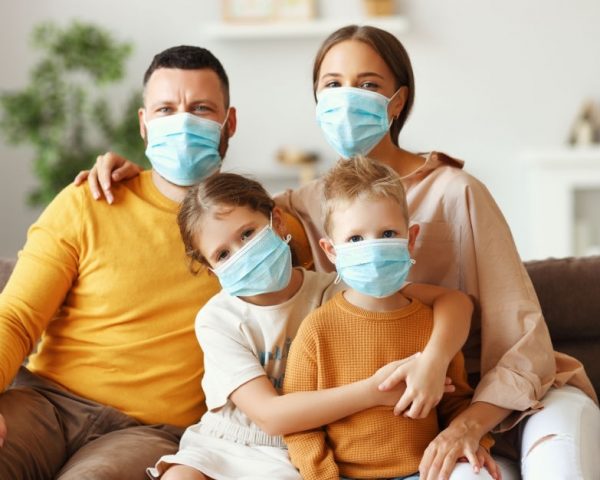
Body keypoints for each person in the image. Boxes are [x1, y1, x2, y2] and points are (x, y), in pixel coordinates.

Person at [82, 26, 600, 479]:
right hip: (392, 419)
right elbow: (223, 214)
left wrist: (464, 421)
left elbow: (520, 336)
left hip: (494, 398)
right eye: (332, 85)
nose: (347, 97)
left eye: (368, 85)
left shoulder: (457, 191)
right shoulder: (304, 205)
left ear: (396, 102)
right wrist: (135, 177)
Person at [0, 43, 471, 479]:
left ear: (229, 123)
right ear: (145, 124)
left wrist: (456, 359)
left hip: (150, 432)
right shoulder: (88, 201)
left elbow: (358, 296)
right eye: (167, 110)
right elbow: (16, 317)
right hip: (48, 404)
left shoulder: (273, 229)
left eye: (201, 109)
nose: (182, 122)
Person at [148, 170, 473, 479]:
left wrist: (433, 360)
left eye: (247, 233)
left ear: (275, 221)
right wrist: (374, 392)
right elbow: (270, 415)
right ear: (210, 269)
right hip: (227, 439)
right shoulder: (217, 319)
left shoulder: (339, 289)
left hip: (295, 447)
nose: (243, 252)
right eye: (222, 254)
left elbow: (454, 302)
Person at [283, 156, 502, 480]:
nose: (373, 248)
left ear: (410, 238)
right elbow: (301, 427)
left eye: (387, 233)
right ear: (330, 250)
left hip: (425, 472)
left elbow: (455, 401)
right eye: (355, 239)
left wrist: (474, 440)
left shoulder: (431, 324)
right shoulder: (317, 329)